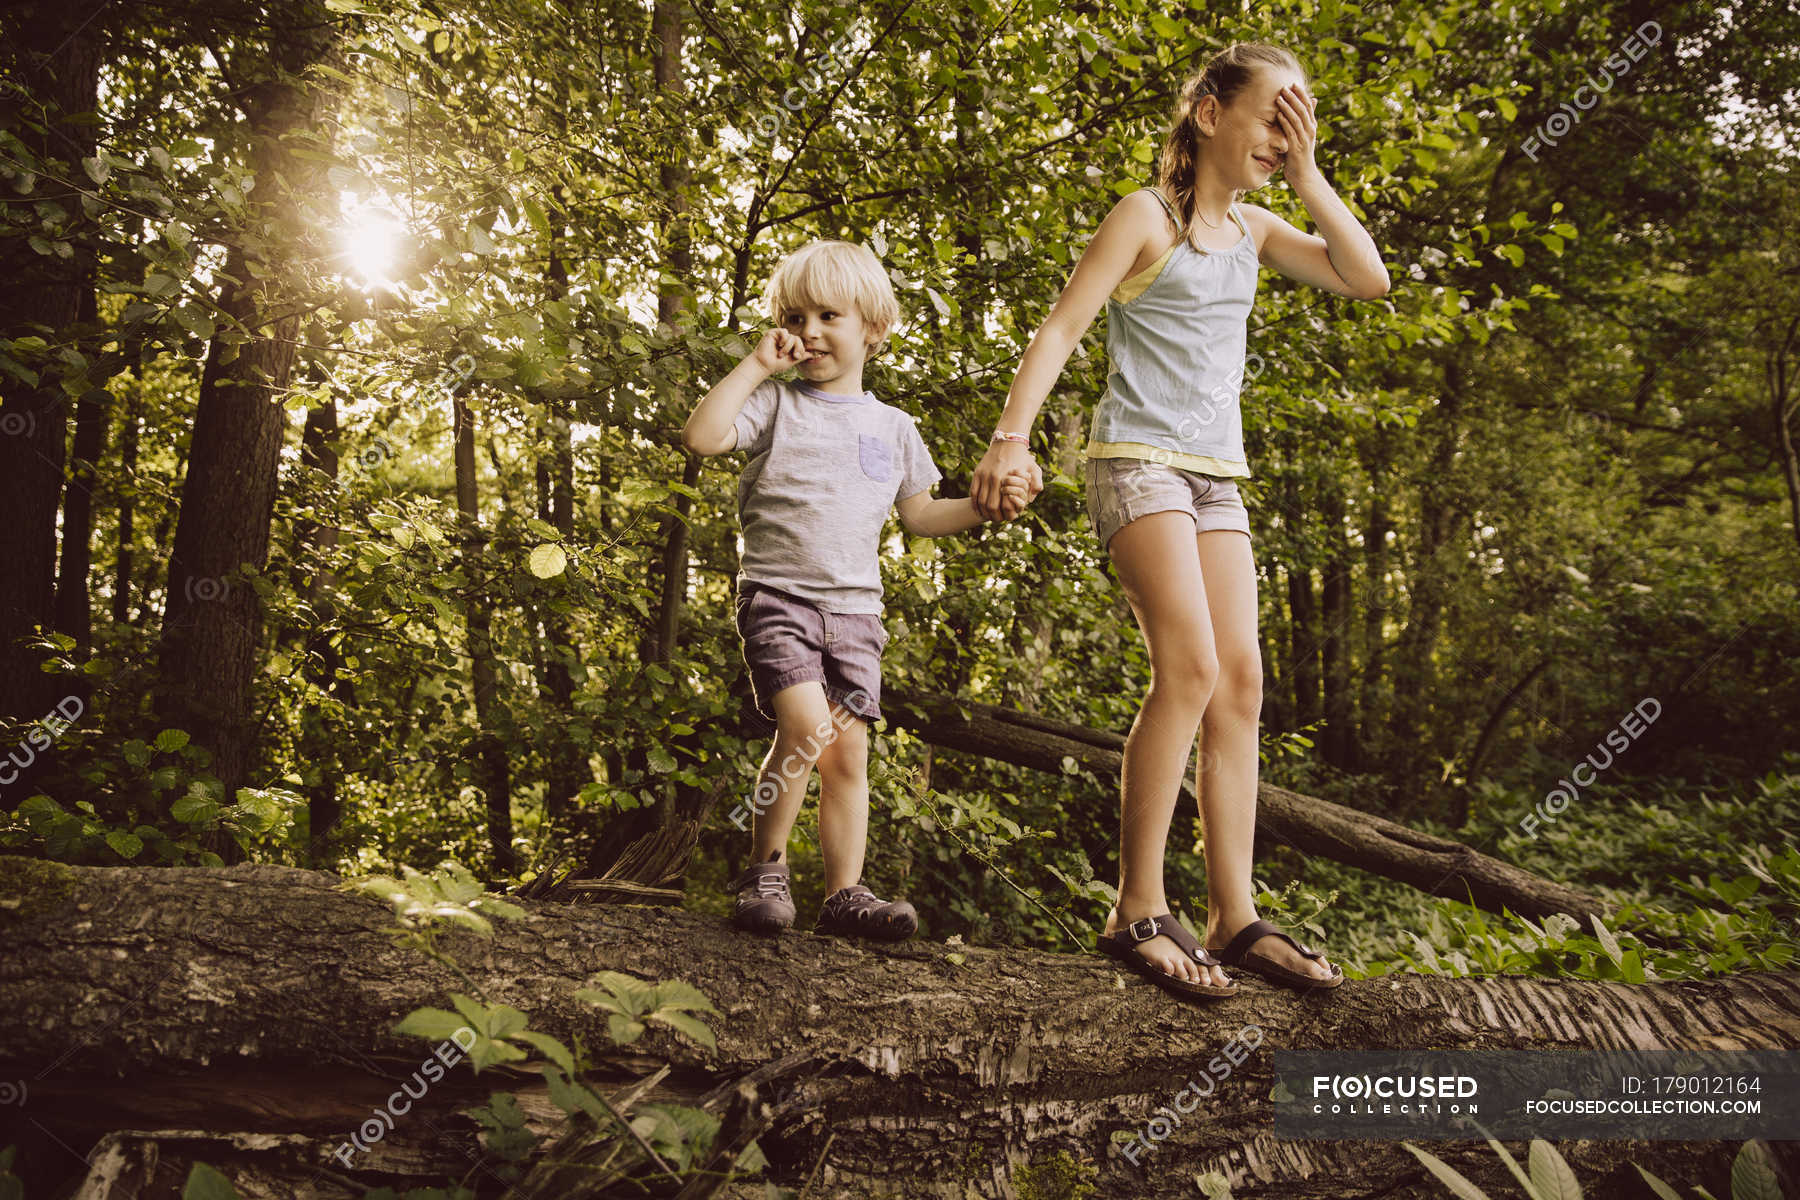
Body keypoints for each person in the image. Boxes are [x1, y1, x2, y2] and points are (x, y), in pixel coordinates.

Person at [969, 44, 1389, 999]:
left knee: (1240, 681)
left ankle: (1235, 919)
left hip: (1216, 480)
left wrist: (1313, 174)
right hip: (1136, 463)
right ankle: (1137, 907)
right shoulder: (1146, 218)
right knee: (1189, 669)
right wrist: (1011, 437)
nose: (1287, 141)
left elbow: (1368, 281)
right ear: (1209, 116)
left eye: (1302, 125)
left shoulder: (1256, 231)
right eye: (1275, 120)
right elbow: (1061, 328)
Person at [683, 240, 1039, 941]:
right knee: (806, 727)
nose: (809, 330)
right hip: (779, 598)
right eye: (795, 315)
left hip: (856, 615)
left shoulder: (895, 428)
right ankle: (766, 871)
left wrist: (988, 508)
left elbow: (922, 516)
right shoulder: (777, 406)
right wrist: (756, 363)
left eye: (828, 315)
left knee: (848, 754)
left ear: (873, 328)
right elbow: (701, 437)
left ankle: (844, 895)